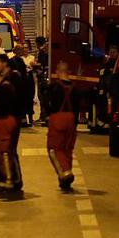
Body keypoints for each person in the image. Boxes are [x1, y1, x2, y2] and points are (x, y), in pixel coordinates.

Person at [0, 66, 23, 192]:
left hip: (3, 121)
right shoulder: (6, 86)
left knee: (4, 151)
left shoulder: (4, 88)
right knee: (6, 150)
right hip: (8, 121)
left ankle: (8, 179)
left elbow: (1, 107)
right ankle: (9, 179)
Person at [46, 61, 78, 189]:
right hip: (71, 119)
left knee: (54, 149)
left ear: (58, 72)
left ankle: (65, 172)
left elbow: (48, 103)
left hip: (57, 119)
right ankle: (64, 180)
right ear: (69, 73)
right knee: (67, 150)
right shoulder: (75, 89)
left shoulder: (54, 87)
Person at [11, 45, 36, 126]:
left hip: (19, 85)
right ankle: (23, 120)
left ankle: (22, 119)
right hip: (20, 85)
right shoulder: (17, 60)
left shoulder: (14, 60)